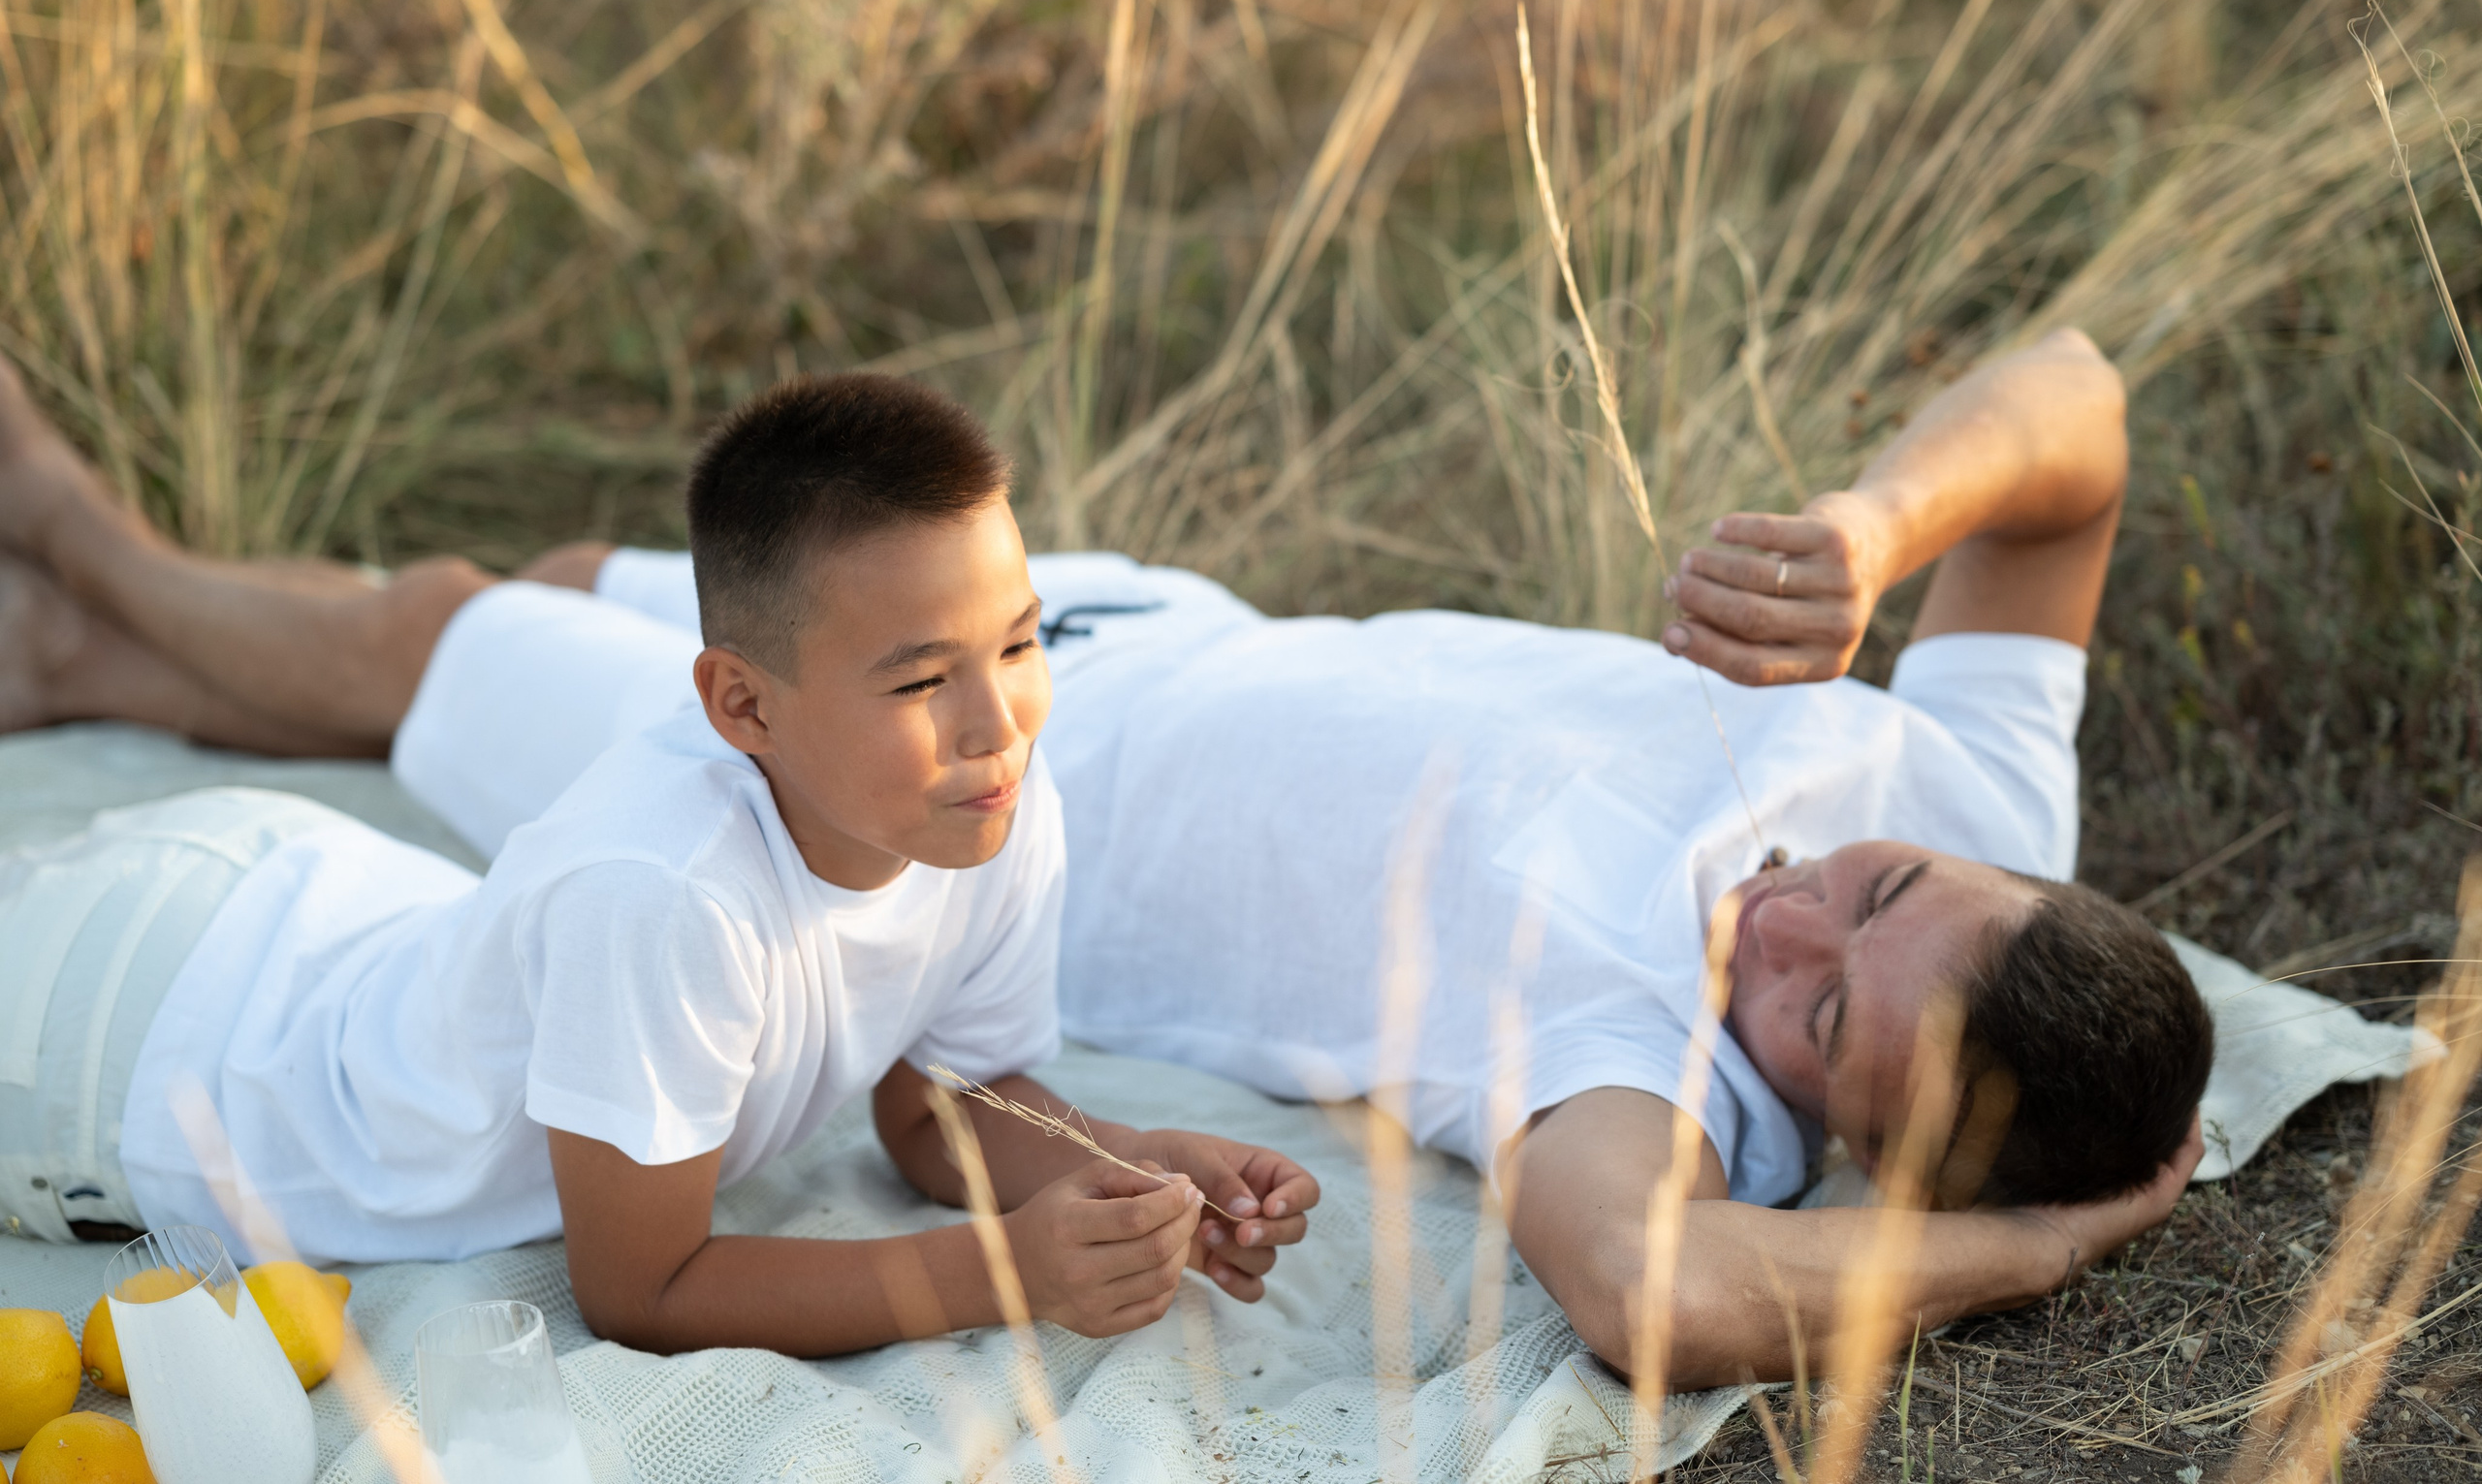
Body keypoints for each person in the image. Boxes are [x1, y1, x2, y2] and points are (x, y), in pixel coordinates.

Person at [1, 330, 2207, 1390]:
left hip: (926, 793)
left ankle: (82, 558)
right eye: (1883, 895)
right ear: (2006, 874)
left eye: (1819, 1023)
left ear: (1830, 1140)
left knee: (427, 631)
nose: (1801, 912)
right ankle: (87, 623)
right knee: (568, 572)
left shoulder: (1633, 1059)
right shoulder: (1978, 792)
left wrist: (2057, 1244)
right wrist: (1865, 533)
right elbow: (2072, 416)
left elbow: (1654, 1298)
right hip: (1086, 638)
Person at [0, 367, 1318, 1357]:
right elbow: (641, 1290)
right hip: (135, 1063)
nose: (999, 722)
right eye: (922, 677)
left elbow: (940, 1103)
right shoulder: (669, 891)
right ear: (741, 706)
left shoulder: (988, 805)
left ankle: (52, 620)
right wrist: (1002, 1273)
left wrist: (1128, 1163)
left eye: (1020, 646)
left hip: (301, 903)